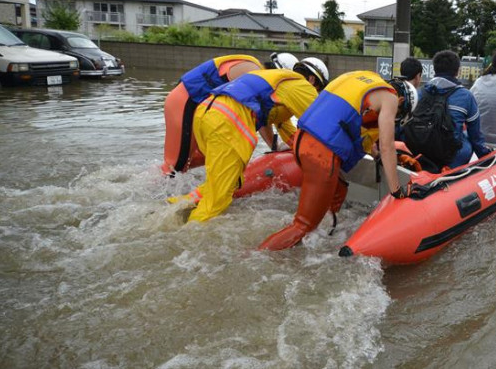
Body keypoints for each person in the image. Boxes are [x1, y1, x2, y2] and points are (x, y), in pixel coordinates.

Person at [258, 71, 418, 250]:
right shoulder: (391, 98)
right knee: (303, 225)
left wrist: (375, 154)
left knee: (340, 187)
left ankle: (320, 233)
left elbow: (348, 121)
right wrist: (397, 191)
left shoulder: (362, 79)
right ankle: (255, 256)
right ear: (402, 101)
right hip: (320, 153)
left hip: (302, 140)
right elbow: (388, 146)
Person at [175, 68, 321, 222]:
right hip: (227, 122)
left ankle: (175, 207)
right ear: (312, 80)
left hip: (206, 114)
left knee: (218, 182)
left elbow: (285, 127)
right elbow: (320, 125)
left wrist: (293, 147)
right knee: (219, 198)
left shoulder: (276, 82)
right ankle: (190, 232)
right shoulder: (303, 87)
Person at [162, 54, 263, 175]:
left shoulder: (262, 79)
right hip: (185, 101)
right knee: (175, 166)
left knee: (214, 154)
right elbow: (260, 110)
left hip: (201, 109)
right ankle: (153, 187)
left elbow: (263, 115)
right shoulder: (252, 70)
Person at [420, 50, 491, 168]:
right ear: (457, 71)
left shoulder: (420, 92)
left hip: (422, 151)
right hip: (451, 158)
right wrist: (486, 158)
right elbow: (476, 136)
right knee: (466, 135)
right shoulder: (466, 96)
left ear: (434, 69)